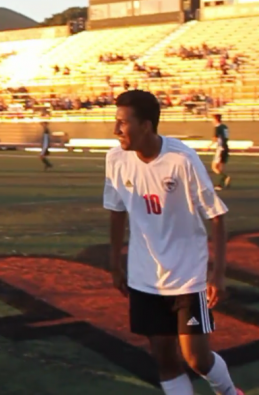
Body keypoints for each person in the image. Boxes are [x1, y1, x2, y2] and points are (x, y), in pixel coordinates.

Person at [103, 90, 243, 395]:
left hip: (188, 277)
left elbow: (217, 216)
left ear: (146, 126)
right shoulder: (115, 159)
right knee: (164, 357)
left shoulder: (181, 159)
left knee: (197, 358)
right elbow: (116, 212)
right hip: (144, 278)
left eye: (123, 123)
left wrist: (217, 274)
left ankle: (229, 392)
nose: (116, 131)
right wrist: (115, 264)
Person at [211, 114, 232, 191]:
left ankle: (225, 177)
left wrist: (208, 146)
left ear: (216, 119)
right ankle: (221, 184)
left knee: (214, 167)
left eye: (213, 119)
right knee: (221, 167)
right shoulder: (225, 127)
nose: (212, 121)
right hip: (226, 147)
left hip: (221, 148)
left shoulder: (217, 127)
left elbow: (215, 138)